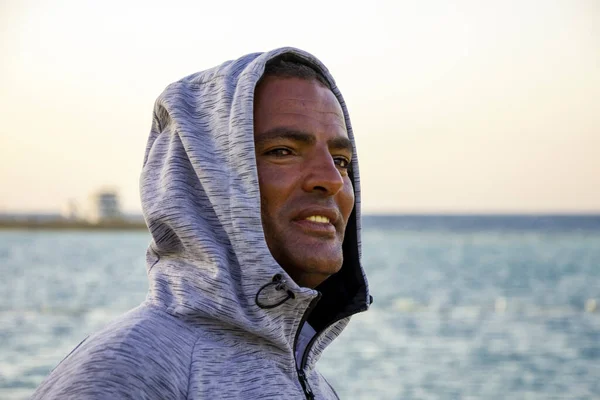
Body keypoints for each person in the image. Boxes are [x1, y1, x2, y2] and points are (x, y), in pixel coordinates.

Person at [32, 47, 372, 399]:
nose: (331, 179)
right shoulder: (126, 370)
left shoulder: (312, 380)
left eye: (341, 159)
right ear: (202, 178)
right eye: (282, 151)